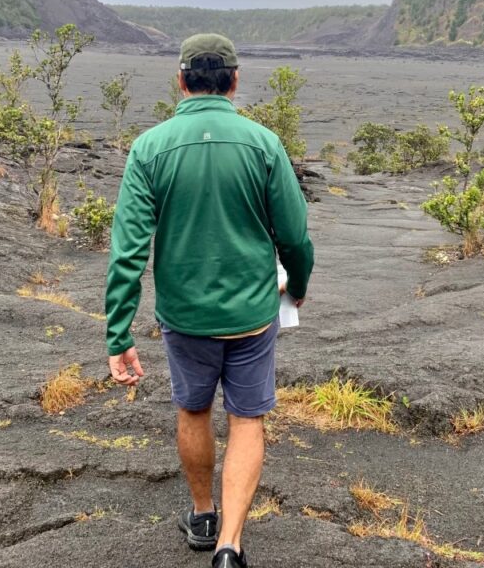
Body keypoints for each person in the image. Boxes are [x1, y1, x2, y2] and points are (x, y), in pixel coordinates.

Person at [105, 33, 315, 568]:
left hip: (185, 318)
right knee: (247, 421)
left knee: (193, 410)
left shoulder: (149, 148)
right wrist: (299, 285)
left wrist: (118, 334)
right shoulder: (264, 144)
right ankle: (229, 546)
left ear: (180, 80)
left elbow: (128, 251)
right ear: (235, 81)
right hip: (251, 314)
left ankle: (203, 516)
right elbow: (295, 237)